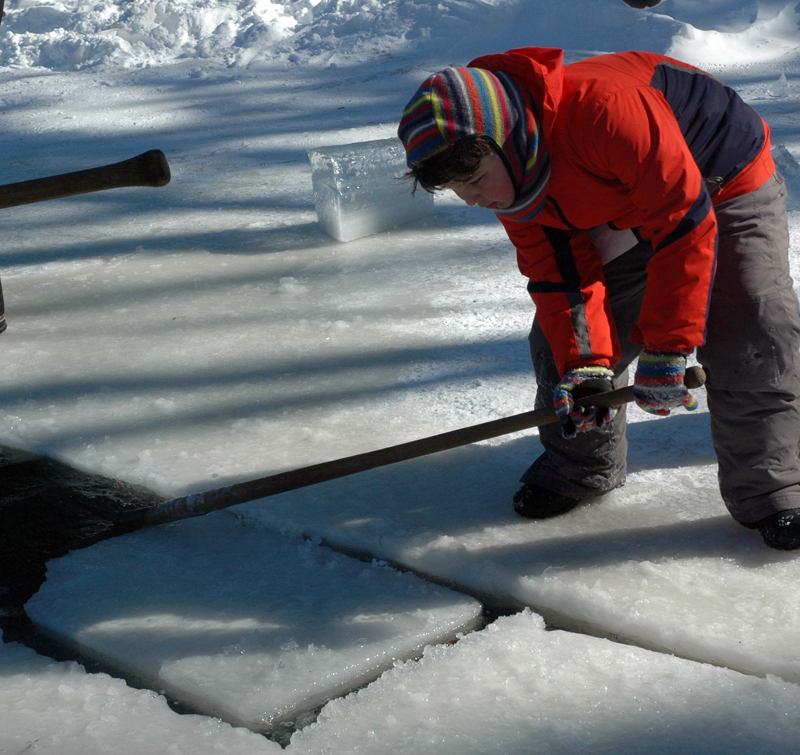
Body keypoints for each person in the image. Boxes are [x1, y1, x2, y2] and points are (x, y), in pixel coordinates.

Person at [397, 48, 800, 550]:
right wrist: (586, 366)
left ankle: (774, 488)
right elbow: (560, 278)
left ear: (506, 137)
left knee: (749, 329)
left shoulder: (604, 109)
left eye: (474, 180)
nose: (473, 199)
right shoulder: (512, 182)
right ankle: (582, 466)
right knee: (559, 350)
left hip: (721, 177)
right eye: (458, 189)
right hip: (612, 197)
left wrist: (668, 347)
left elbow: (682, 220)